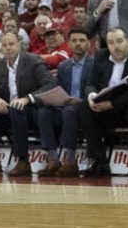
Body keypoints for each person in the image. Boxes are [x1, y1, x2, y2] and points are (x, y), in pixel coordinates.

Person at [0, 30, 56, 177]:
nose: (8, 48)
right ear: (0, 48)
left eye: (11, 44)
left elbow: (50, 84)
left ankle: (23, 161)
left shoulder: (33, 60)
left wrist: (27, 98)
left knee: (17, 108)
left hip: (31, 110)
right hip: (8, 110)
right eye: (4, 45)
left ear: (19, 45)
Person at [33, 26, 93, 177]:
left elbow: (97, 88)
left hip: (87, 109)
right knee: (43, 112)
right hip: (65, 106)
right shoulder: (63, 66)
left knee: (69, 111)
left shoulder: (95, 64)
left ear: (88, 44)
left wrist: (80, 101)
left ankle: (71, 161)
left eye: (82, 40)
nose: (78, 43)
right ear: (69, 44)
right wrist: (52, 98)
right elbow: (58, 88)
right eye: (74, 40)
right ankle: (53, 159)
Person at [76, 26, 128, 176]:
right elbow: (89, 83)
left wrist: (112, 104)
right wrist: (92, 96)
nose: (115, 46)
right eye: (111, 43)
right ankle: (99, 162)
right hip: (104, 108)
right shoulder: (101, 56)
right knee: (83, 107)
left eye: (119, 41)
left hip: (124, 107)